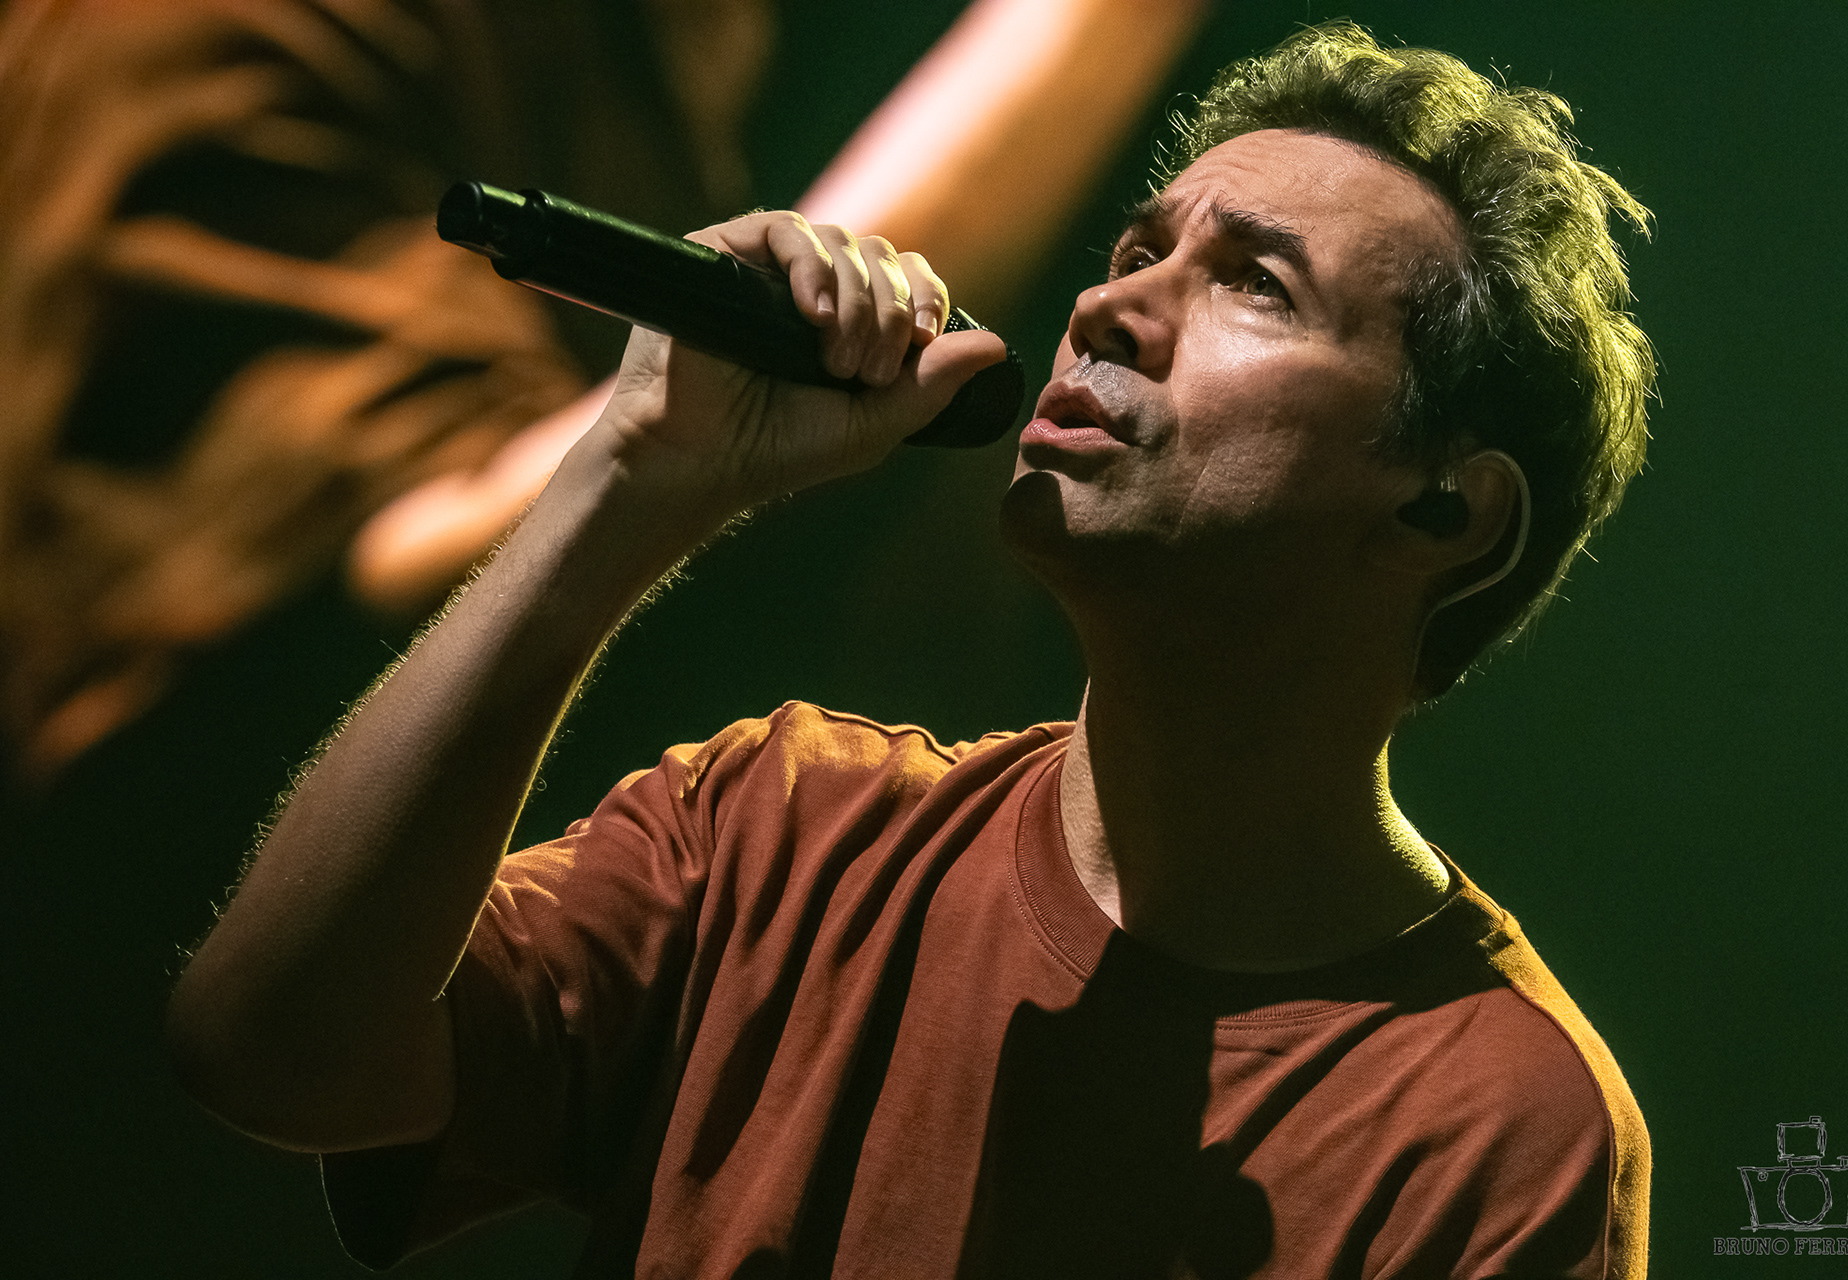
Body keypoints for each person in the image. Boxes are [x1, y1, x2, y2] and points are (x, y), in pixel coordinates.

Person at [168, 22, 1657, 1280]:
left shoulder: (1496, 1125)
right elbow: (272, 1051)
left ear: (1449, 509)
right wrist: (632, 475)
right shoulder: (778, 828)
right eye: (1140, 250)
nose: (1110, 308)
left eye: (1254, 285)